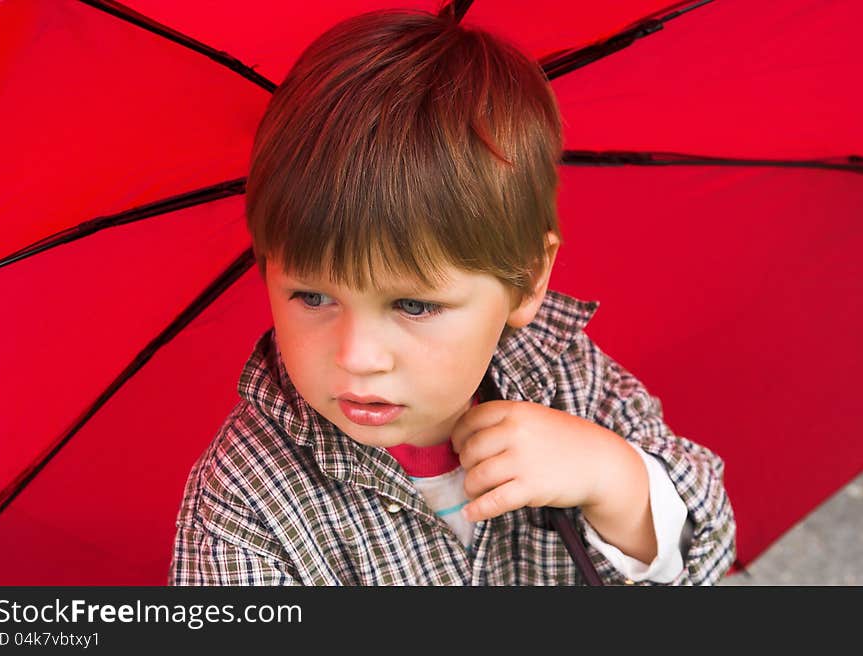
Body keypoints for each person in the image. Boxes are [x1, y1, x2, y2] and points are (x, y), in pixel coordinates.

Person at [168, 5, 735, 586]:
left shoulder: (567, 381)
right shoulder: (246, 505)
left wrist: (615, 482)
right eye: (313, 297)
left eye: (413, 305)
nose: (357, 357)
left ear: (529, 279)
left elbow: (711, 547)